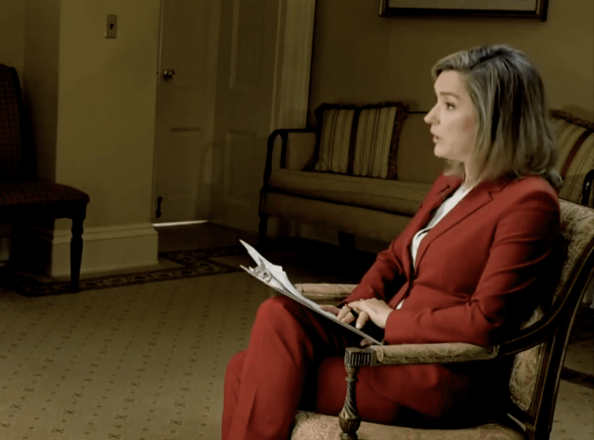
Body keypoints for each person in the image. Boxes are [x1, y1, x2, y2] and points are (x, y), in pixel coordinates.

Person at [222, 44, 563, 440]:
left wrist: (391, 319)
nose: (430, 117)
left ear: (496, 117)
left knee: (245, 370)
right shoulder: (451, 183)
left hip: (434, 375)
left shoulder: (529, 202)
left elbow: (485, 321)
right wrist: (353, 307)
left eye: (449, 105)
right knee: (278, 313)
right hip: (381, 342)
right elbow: (394, 259)